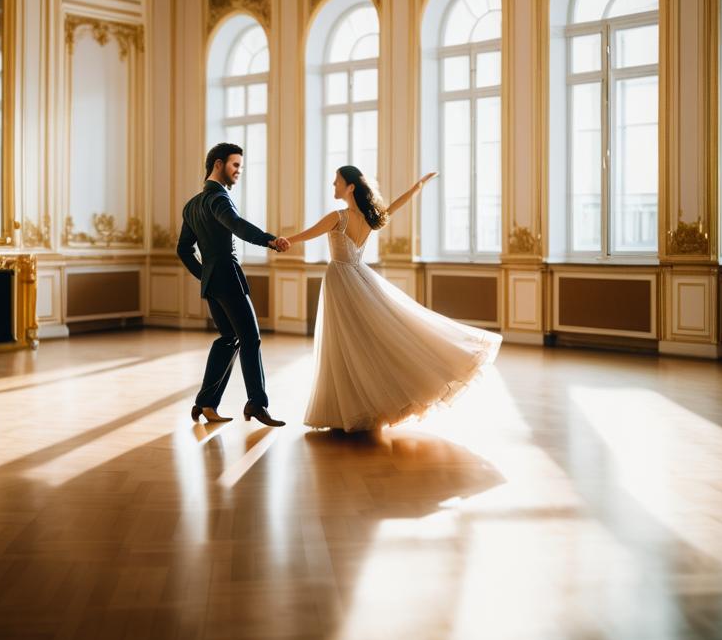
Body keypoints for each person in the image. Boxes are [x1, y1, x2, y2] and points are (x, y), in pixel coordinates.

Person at [286, 165, 501, 432]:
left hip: (341, 280)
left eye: (337, 182)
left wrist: (283, 241)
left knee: (345, 341)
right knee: (363, 340)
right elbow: (393, 208)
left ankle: (350, 409)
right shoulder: (368, 217)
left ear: (350, 187)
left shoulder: (338, 217)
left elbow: (309, 234)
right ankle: (357, 405)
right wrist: (416, 188)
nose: (333, 186)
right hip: (358, 277)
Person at [177, 142, 290, 427]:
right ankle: (257, 403)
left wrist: (204, 274)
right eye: (235, 165)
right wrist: (270, 240)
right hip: (227, 276)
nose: (239, 171)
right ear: (218, 164)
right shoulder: (219, 199)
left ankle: (205, 403)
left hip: (213, 281)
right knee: (250, 338)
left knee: (229, 338)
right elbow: (236, 225)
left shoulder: (191, 205)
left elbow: (183, 250)